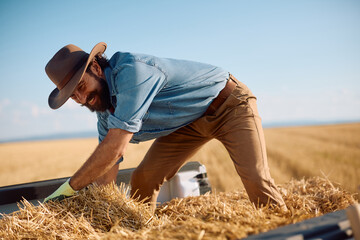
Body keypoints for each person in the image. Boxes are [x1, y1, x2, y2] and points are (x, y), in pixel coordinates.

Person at [44, 42, 287, 211]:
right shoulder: (105, 115)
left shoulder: (133, 71)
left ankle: (289, 231)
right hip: (190, 123)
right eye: (73, 96)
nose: (82, 98)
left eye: (81, 86)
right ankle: (140, 230)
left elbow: (114, 149)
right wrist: (97, 213)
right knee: (143, 179)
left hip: (229, 105)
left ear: (96, 68)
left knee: (256, 179)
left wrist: (68, 189)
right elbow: (106, 176)